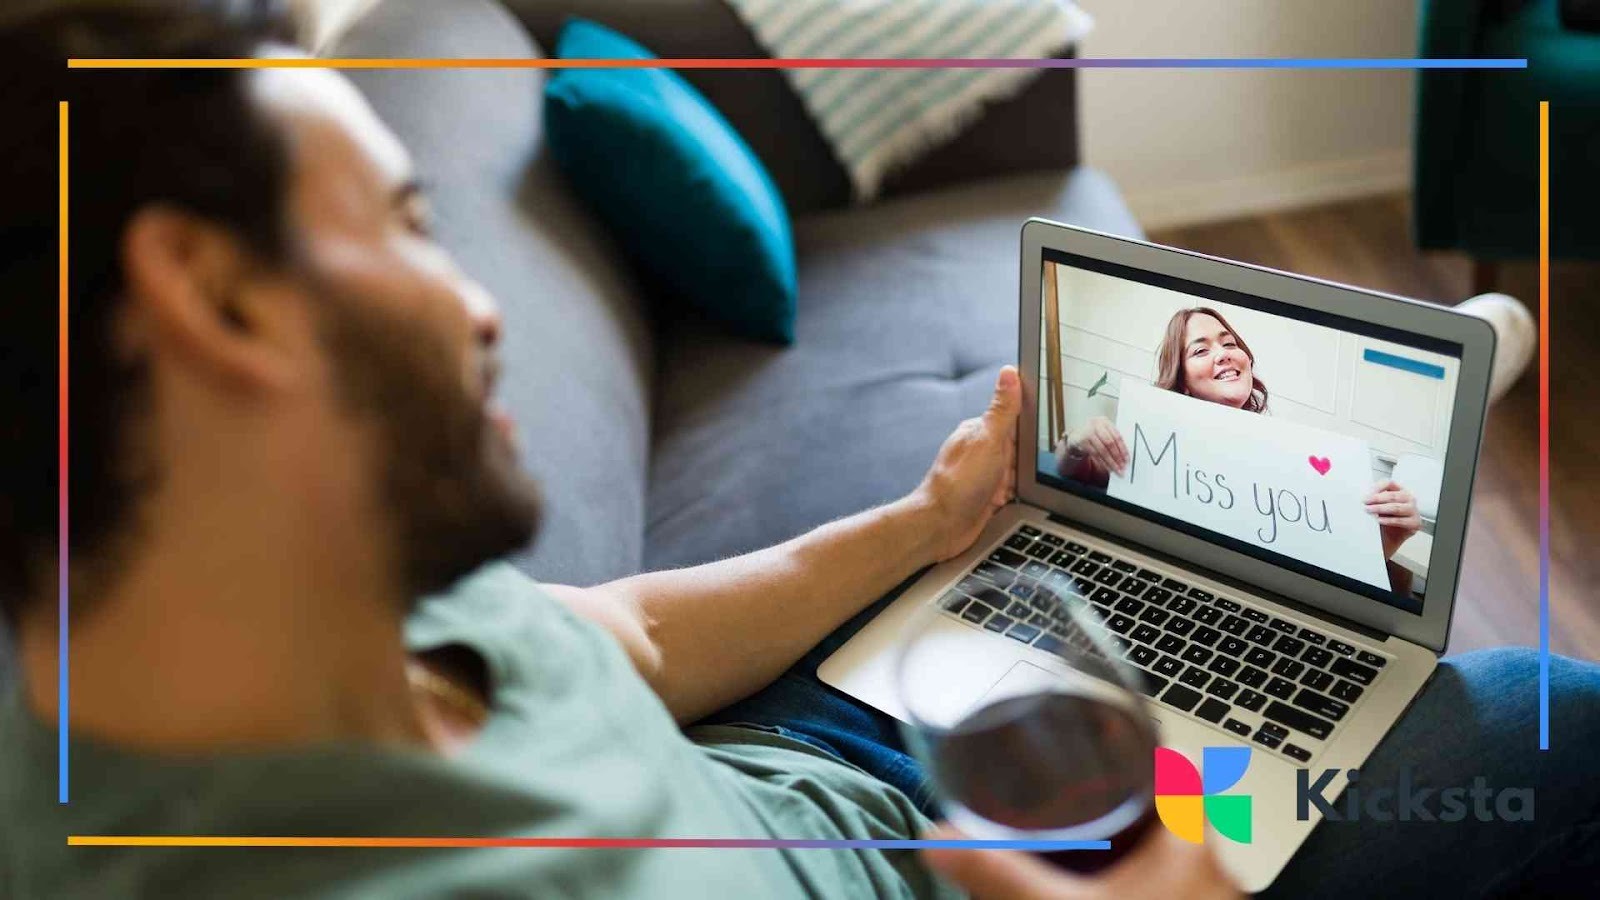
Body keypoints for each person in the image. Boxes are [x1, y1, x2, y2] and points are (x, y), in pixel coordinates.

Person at [2, 4, 1597, 898]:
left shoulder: (319, 579)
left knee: (1177, 616)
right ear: (213, 300)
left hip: (830, 762)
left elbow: (610, 635)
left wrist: (923, 525)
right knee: (1547, 725)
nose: (483, 302)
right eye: (414, 222)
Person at [1055, 306, 1423, 596]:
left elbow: (1327, 569)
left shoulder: (1294, 456)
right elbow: (1070, 471)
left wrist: (1387, 542)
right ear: (1182, 381)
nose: (1224, 354)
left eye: (1229, 344)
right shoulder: (1150, 442)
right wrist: (1076, 441)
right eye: (1201, 350)